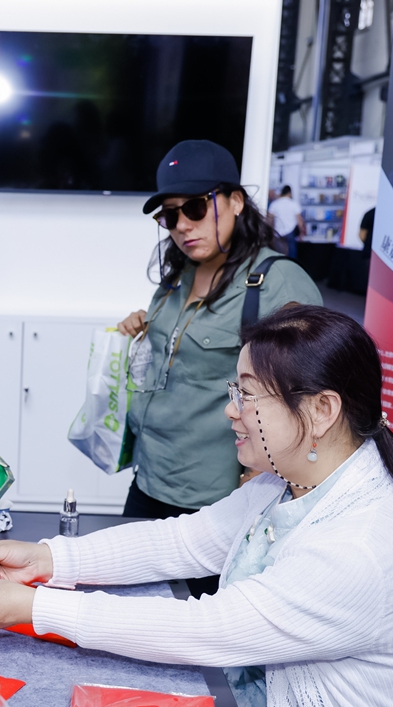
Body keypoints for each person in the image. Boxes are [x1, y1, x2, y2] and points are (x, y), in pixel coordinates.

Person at [0, 305, 393, 707]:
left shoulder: (361, 548)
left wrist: (34, 607)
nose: (231, 410)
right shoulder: (288, 482)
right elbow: (182, 541)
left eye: (248, 394)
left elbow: (208, 629)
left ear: (322, 410)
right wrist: (50, 560)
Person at [115, 140, 321, 528]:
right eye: (170, 215)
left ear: (236, 202)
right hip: (150, 477)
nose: (182, 225)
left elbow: (308, 394)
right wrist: (146, 323)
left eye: (195, 207)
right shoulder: (177, 278)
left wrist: (262, 476)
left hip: (216, 495)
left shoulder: (277, 282)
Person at [266, 185, 304, 258]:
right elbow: (300, 221)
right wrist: (301, 234)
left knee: (278, 256)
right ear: (290, 193)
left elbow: (269, 220)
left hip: (278, 233)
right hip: (290, 232)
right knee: (292, 256)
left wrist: (269, 232)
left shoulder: (275, 204)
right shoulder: (294, 204)